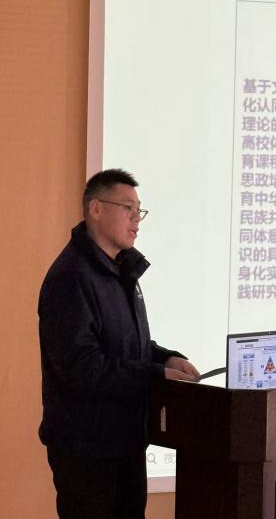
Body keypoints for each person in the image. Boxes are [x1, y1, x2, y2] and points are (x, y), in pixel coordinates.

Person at [38, 168, 200, 519]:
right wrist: (154, 375)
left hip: (125, 440)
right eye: (128, 209)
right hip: (87, 448)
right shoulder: (71, 278)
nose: (136, 220)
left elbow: (127, 344)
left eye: (139, 211)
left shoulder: (122, 271)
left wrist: (167, 359)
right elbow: (82, 367)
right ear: (96, 209)